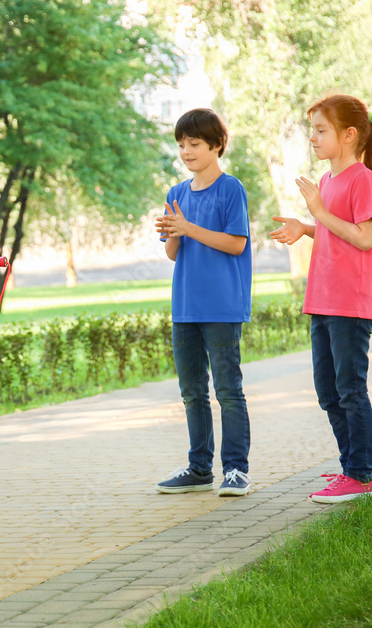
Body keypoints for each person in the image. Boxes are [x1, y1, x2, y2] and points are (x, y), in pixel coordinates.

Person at [271, 94, 372, 503]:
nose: (313, 138)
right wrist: (306, 227)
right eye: (313, 130)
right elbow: (333, 229)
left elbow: (364, 237)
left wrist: (319, 214)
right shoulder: (327, 181)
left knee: (350, 390)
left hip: (350, 304)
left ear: (349, 134)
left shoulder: (363, 180)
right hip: (321, 301)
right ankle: (350, 468)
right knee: (328, 392)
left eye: (321, 130)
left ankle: (361, 475)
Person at [154, 108, 253, 497]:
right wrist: (173, 232)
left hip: (223, 307)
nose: (186, 151)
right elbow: (173, 254)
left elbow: (236, 243)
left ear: (216, 145)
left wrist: (189, 227)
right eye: (181, 144)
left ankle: (236, 470)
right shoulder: (176, 193)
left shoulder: (231, 189)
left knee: (228, 390)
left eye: (194, 144)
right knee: (191, 391)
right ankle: (199, 468)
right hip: (185, 308)